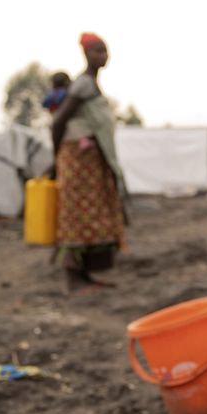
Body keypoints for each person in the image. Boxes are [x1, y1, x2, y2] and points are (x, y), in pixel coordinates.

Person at [51, 33, 127, 294]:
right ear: (86, 54)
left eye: (105, 51)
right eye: (97, 51)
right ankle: (73, 276)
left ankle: (85, 275)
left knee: (92, 215)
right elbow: (58, 122)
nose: (103, 56)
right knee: (76, 216)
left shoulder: (90, 84)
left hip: (91, 160)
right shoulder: (82, 84)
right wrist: (57, 158)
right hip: (78, 159)